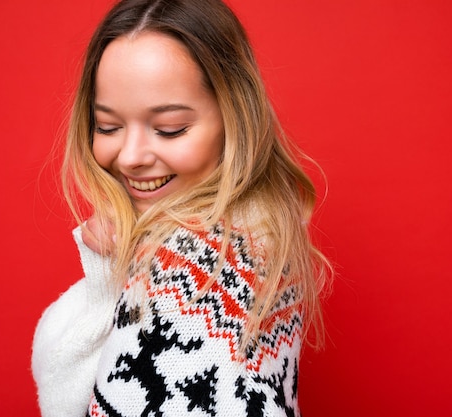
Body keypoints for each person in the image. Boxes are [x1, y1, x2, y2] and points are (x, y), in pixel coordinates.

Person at [31, 0, 331, 416]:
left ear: (234, 118)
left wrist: (110, 275)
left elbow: (63, 386)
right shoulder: (266, 230)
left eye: (170, 129)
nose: (131, 155)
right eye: (108, 126)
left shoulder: (190, 265)